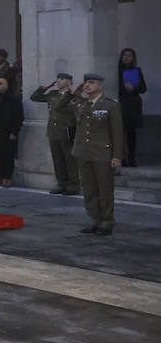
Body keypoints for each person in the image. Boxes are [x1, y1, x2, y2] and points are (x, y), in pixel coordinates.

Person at [61, 73, 125, 235]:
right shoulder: (81, 104)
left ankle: (107, 222)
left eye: (91, 82)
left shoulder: (111, 105)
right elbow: (59, 107)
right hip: (83, 153)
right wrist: (73, 93)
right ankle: (95, 220)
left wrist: (117, 156)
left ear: (100, 86)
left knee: (104, 189)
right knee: (89, 190)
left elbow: (117, 132)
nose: (87, 85)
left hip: (103, 154)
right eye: (85, 83)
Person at [29, 73, 80, 195]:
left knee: (70, 161)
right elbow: (34, 97)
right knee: (58, 160)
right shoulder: (52, 95)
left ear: (69, 82)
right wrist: (45, 87)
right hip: (53, 131)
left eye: (62, 79)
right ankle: (61, 183)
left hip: (66, 131)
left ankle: (73, 185)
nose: (58, 81)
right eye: (58, 79)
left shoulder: (74, 97)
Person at [0, 77, 23, 187]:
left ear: (6, 86)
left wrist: (14, 131)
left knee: (7, 156)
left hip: (8, 132)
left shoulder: (13, 99)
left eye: (0, 83)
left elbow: (18, 117)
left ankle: (7, 178)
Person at [117, 48, 146, 167]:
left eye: (130, 55)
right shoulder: (117, 70)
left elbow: (143, 88)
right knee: (120, 132)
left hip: (133, 104)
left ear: (133, 58)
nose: (127, 57)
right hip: (121, 103)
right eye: (124, 55)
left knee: (131, 133)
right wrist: (123, 88)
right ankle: (121, 158)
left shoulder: (136, 71)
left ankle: (132, 159)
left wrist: (133, 88)